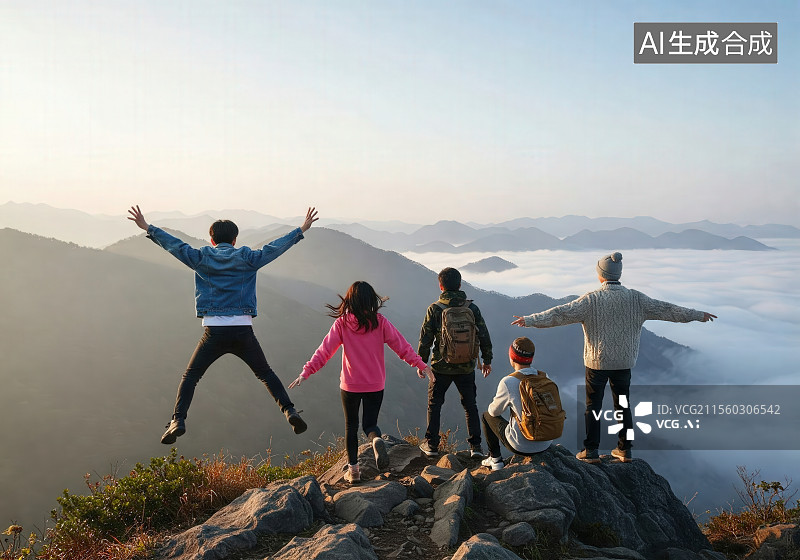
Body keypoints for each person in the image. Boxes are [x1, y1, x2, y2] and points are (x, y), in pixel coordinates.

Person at [127, 205, 318, 444]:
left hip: (214, 331)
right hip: (242, 330)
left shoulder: (201, 258)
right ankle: (289, 410)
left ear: (212, 239)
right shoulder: (248, 258)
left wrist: (148, 227)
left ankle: (178, 420)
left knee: (191, 376)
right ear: (235, 240)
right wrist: (301, 229)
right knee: (266, 373)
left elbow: (176, 246)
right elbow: (274, 248)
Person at [512, 251, 716, 463]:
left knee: (593, 406)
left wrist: (530, 320)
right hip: (624, 362)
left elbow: (560, 314)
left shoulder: (591, 300)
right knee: (623, 405)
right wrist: (697, 315)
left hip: (597, 362)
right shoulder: (637, 299)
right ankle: (625, 449)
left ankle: (590, 450)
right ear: (618, 274)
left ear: (601, 275)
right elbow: (668, 310)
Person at [289, 281, 432, 484]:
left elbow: (324, 351)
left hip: (350, 385)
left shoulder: (342, 323)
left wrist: (306, 372)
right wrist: (421, 365)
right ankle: (375, 440)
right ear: (370, 300)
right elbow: (402, 346)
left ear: (351, 301)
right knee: (370, 424)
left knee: (351, 426)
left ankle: (354, 472)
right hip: (375, 384)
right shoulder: (380, 322)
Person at [417, 267, 493, 458]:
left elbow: (425, 339)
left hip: (440, 367)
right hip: (466, 366)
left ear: (440, 286)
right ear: (460, 285)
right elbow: (483, 335)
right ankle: (476, 447)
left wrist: (421, 363)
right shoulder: (472, 309)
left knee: (435, 405)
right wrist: (487, 360)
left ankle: (432, 445)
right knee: (470, 406)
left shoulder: (434, 309)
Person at [481, 337, 555, 471]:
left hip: (521, 446)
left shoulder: (508, 382)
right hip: (546, 442)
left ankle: (495, 460)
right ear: (531, 357)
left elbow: (494, 412)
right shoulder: (544, 377)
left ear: (512, 357)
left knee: (486, 416)